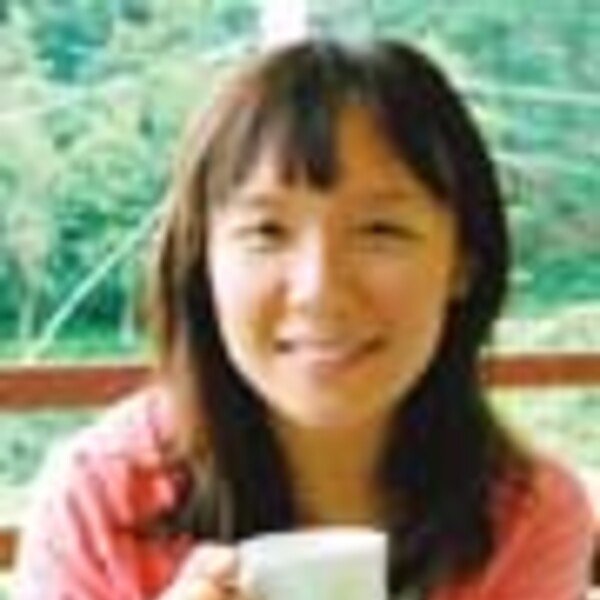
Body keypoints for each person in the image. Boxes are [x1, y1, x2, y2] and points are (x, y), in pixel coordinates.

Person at [14, 39, 594, 600]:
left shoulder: (529, 520)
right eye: (267, 231)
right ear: (201, 262)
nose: (318, 291)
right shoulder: (99, 500)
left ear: (463, 263)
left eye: (381, 231)